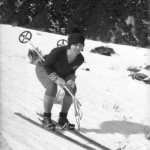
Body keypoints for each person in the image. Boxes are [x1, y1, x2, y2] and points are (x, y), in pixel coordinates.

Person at [35, 31, 85, 130]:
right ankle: (47, 118)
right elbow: (47, 66)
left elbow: (72, 70)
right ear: (70, 45)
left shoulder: (80, 59)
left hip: (62, 72)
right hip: (44, 68)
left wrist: (71, 80)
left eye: (80, 45)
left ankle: (63, 118)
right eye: (75, 45)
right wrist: (56, 79)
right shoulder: (58, 52)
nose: (78, 48)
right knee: (52, 86)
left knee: (72, 89)